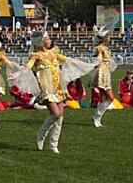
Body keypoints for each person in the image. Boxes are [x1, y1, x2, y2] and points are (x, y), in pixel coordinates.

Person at [8, 18, 96, 154]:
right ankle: (41, 135)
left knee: (60, 117)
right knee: (55, 114)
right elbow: (27, 67)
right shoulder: (36, 55)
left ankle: (53, 144)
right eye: (47, 38)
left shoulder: (54, 52)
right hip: (46, 88)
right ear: (42, 41)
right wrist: (17, 74)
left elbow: (68, 60)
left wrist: (87, 65)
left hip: (58, 86)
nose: (50, 39)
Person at [91, 16, 117, 127]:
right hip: (102, 72)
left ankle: (97, 118)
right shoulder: (100, 48)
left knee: (103, 97)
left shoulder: (105, 48)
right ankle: (97, 116)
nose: (109, 37)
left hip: (106, 72)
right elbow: (99, 59)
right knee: (110, 97)